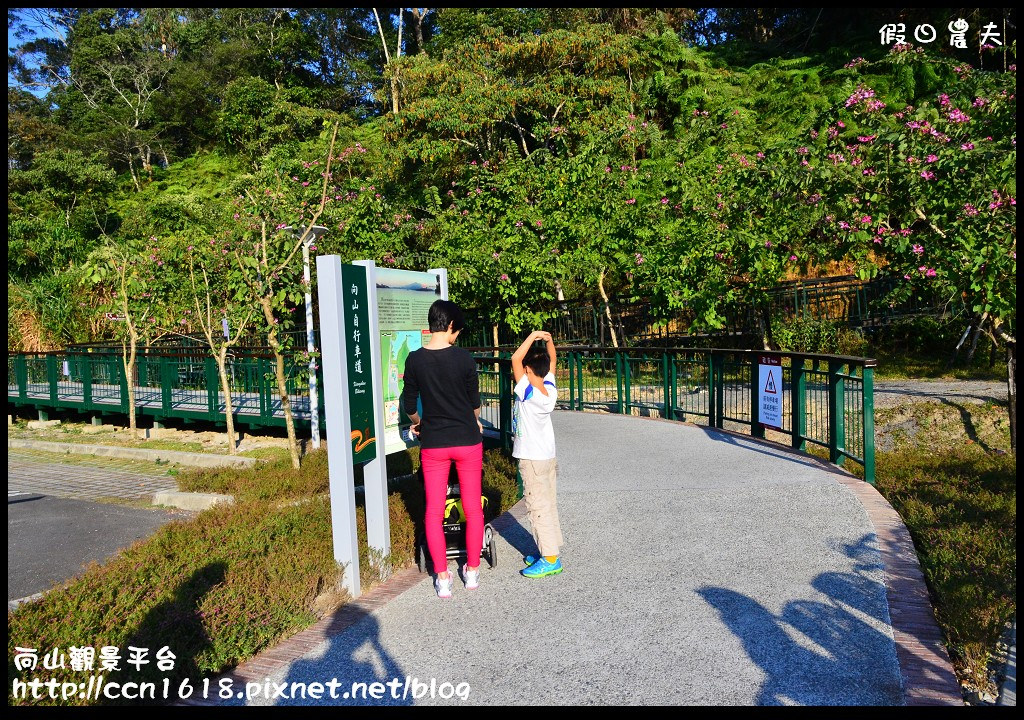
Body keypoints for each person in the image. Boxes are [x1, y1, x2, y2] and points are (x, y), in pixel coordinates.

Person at [401, 300, 484, 599]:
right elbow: (475, 406)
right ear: (449, 325)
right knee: (473, 508)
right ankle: (472, 572)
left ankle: (442, 577)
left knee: (433, 512)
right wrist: (470, 421)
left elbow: (409, 405)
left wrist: (419, 424)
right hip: (467, 442)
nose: (457, 335)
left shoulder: (414, 360)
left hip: (434, 444)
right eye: (457, 330)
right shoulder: (464, 359)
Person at [510, 330, 564, 578]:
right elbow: (552, 360)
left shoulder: (528, 393)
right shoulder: (548, 389)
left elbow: (514, 359)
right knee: (548, 503)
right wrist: (549, 341)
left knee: (537, 506)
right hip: (547, 457)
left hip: (532, 459)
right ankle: (549, 550)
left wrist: (533, 337)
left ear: (530, 372)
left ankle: (550, 559)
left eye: (526, 371)